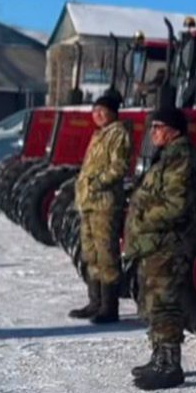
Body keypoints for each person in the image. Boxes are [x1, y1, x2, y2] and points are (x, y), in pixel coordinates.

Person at [123, 106, 196, 390]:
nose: (153, 132)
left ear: (173, 130)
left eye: (158, 127)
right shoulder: (168, 156)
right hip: (154, 244)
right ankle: (158, 357)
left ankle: (170, 366)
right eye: (152, 127)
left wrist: (142, 219)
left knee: (165, 305)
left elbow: (176, 205)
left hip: (168, 244)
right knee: (153, 303)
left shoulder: (181, 158)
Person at [71, 90, 131, 324]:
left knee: (106, 253)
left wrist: (98, 183)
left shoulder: (118, 134)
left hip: (104, 202)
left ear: (112, 113)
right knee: (90, 252)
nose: (96, 115)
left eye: (101, 111)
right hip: (88, 202)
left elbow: (119, 166)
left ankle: (109, 307)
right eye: (94, 111)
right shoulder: (100, 134)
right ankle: (94, 301)